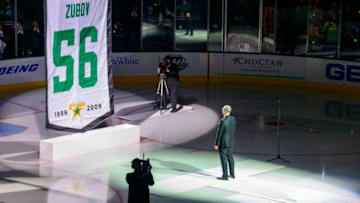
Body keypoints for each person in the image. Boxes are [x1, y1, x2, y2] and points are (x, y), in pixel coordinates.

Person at [214, 105, 236, 180]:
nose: (222, 110)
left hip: (223, 143)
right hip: (231, 141)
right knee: (230, 157)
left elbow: (219, 133)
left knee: (223, 159)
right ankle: (232, 174)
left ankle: (225, 176)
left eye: (223, 109)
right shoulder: (233, 119)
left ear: (225, 111)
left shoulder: (223, 121)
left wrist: (216, 143)